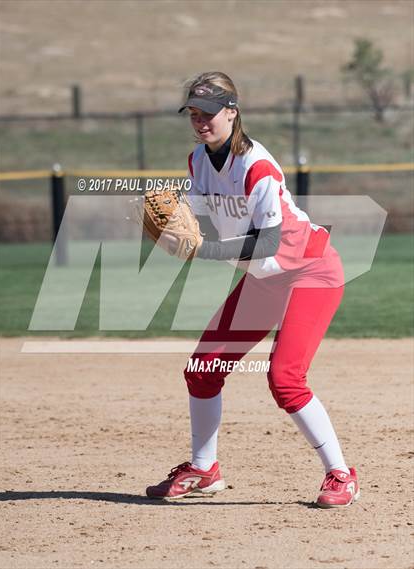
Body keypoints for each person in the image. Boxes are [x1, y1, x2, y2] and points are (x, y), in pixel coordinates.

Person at [145, 71, 360, 508]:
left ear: (232, 111)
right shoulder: (199, 161)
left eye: (208, 112)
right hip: (265, 275)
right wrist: (174, 225)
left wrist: (200, 250)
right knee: (203, 369)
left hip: (309, 271)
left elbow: (267, 241)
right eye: (193, 113)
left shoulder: (256, 166)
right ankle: (204, 469)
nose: (201, 121)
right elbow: (204, 221)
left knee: (285, 379)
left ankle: (341, 474)